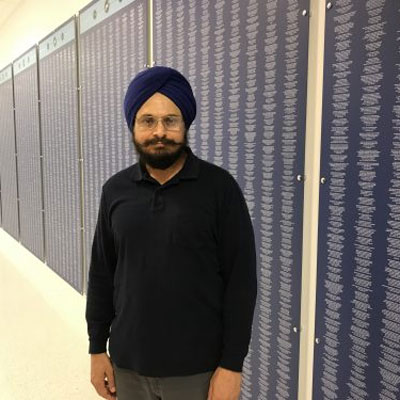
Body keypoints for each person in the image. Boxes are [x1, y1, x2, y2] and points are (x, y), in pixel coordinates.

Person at [85, 66, 258, 400]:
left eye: (170, 120)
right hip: (127, 365)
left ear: (185, 124)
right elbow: (102, 274)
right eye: (148, 120)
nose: (159, 132)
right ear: (134, 126)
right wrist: (96, 348)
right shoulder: (115, 191)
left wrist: (232, 365)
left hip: (198, 371)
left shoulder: (220, 189)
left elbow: (241, 282)